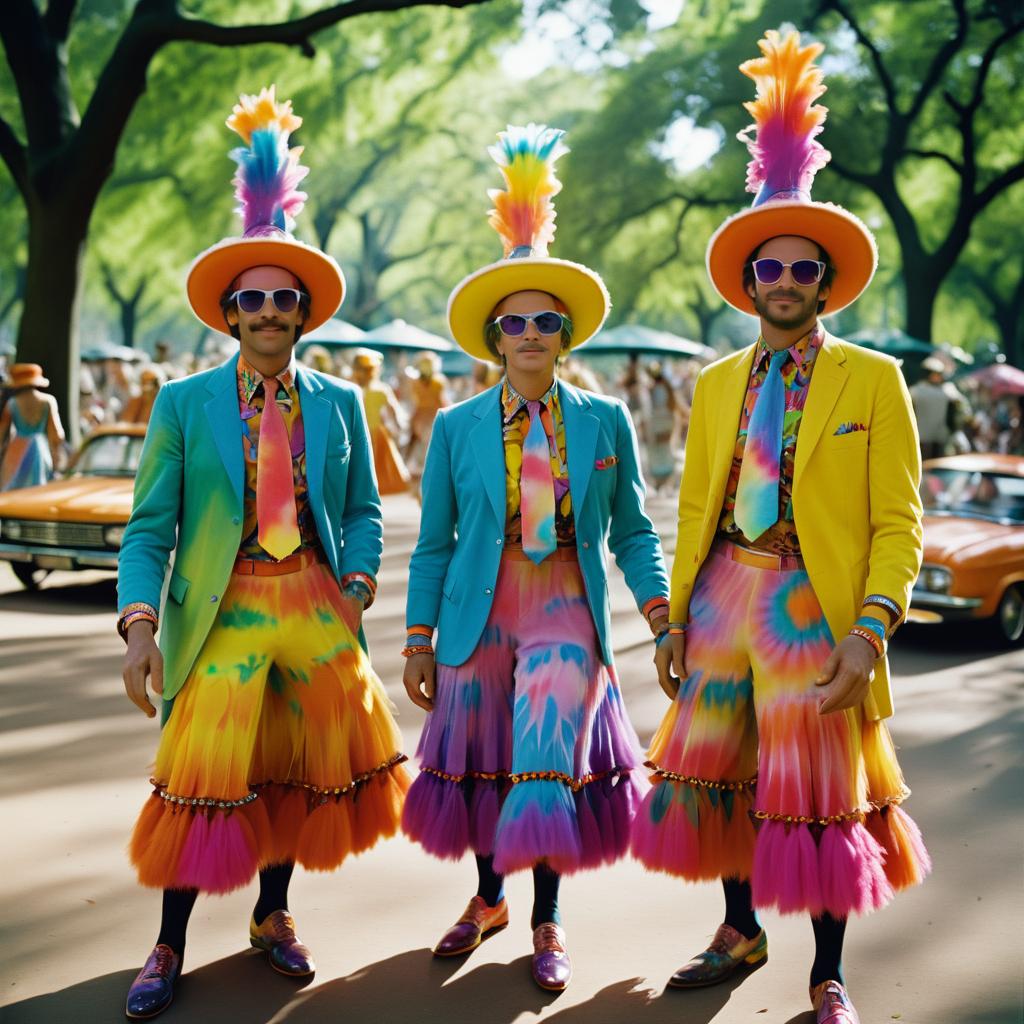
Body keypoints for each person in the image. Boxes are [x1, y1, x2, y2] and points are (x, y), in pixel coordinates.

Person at [630, 34, 930, 1024]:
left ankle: (826, 973)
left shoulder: (873, 380)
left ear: (826, 283)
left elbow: (899, 519)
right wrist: (672, 620)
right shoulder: (716, 383)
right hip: (722, 593)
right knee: (716, 779)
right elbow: (692, 508)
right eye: (772, 263)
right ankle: (737, 929)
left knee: (816, 793)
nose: (787, 277)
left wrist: (869, 624)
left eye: (805, 265)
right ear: (749, 278)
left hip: (817, 604)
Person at [116, 88, 409, 1020]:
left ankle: (272, 918)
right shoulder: (181, 404)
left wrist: (357, 584)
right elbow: (147, 528)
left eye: (287, 299)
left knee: (294, 769)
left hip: (316, 603)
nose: (271, 311)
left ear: (304, 313)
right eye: (255, 299)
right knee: (203, 779)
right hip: (223, 606)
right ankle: (169, 943)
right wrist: (138, 626)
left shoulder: (339, 403)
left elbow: (361, 508)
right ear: (230, 313)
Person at [401, 124, 670, 992]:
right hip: (479, 607)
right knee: (483, 763)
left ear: (565, 335)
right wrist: (416, 637)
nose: (529, 333)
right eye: (513, 323)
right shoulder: (454, 426)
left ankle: (549, 922)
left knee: (546, 759)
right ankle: (487, 900)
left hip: (565, 605)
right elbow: (435, 539)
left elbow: (631, 529)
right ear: (493, 337)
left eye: (544, 322)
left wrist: (660, 613)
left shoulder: (605, 422)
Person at [350, 347, 410, 495]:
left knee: (362, 467)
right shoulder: (381, 389)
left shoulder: (351, 388)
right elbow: (394, 411)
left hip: (359, 434)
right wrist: (399, 427)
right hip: (375, 433)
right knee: (377, 467)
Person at [0, 363, 65, 490]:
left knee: (13, 489)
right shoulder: (48, 401)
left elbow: (1, 433)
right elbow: (57, 434)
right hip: (40, 449)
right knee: (37, 489)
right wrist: (56, 454)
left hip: (16, 448)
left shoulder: (12, 403)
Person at [404, 350, 449, 491]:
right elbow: (442, 401)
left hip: (419, 417)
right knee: (433, 449)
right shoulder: (439, 381)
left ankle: (414, 479)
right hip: (433, 417)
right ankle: (430, 482)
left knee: (416, 448)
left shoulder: (415, 382)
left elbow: (415, 401)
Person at [909, 356, 968, 460]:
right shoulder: (916, 391)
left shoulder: (948, 390)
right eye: (935, 374)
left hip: (940, 437)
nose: (938, 377)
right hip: (921, 437)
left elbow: (962, 408)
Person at [644, 361, 679, 493]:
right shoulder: (667, 388)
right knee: (664, 449)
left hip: (658, 422)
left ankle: (661, 482)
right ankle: (664, 482)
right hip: (665, 421)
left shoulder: (654, 389)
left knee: (660, 450)